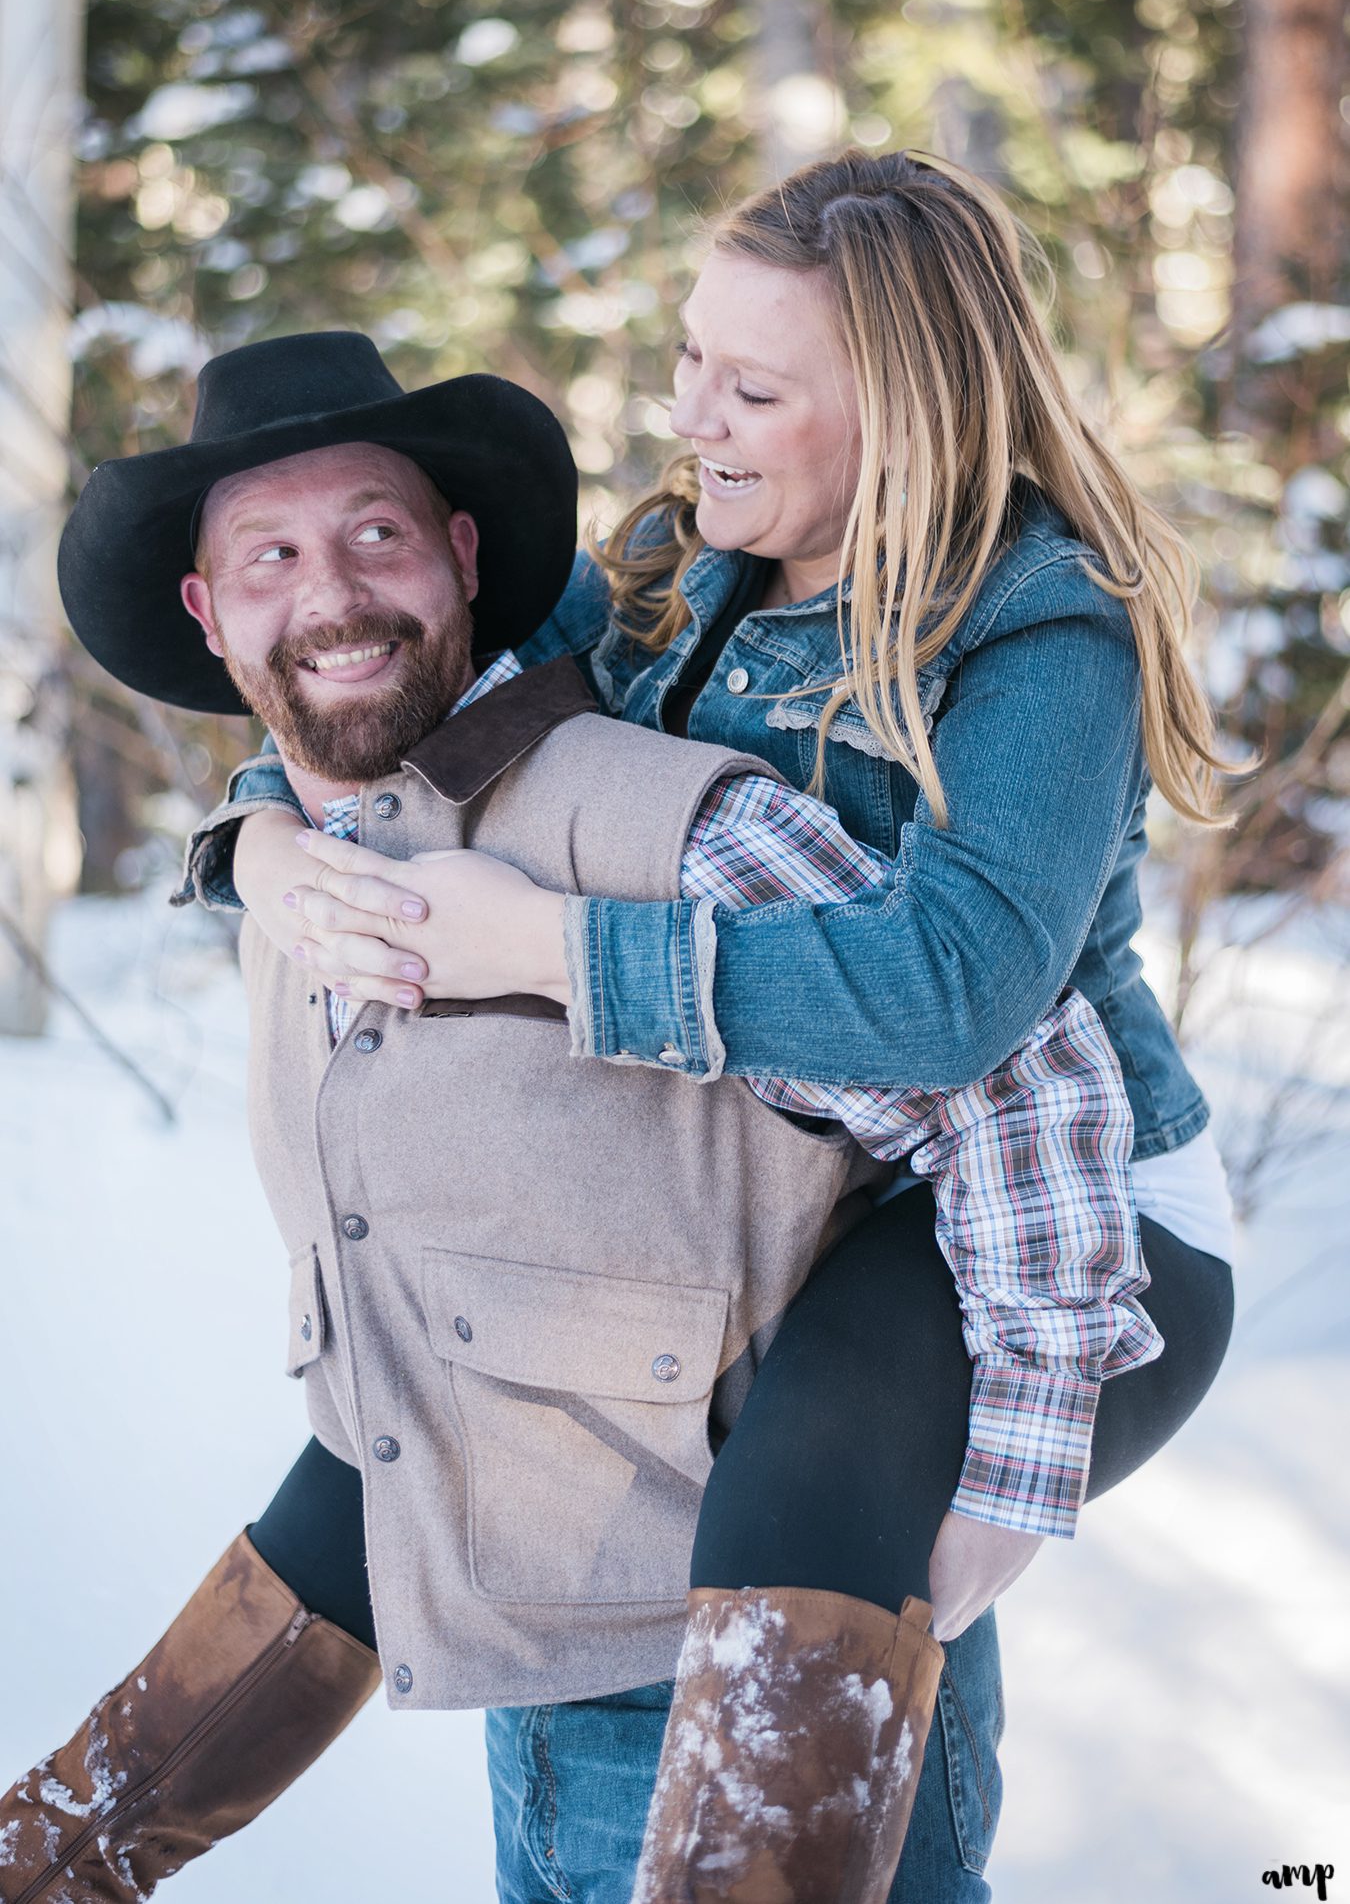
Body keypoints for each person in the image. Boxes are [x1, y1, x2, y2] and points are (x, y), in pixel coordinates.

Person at [5, 323, 1152, 1904]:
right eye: (267, 555)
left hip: (761, 1697)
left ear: (463, 560)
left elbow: (1017, 1071)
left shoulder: (650, 815)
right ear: (208, 616)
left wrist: (1014, 1463)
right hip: (520, 1700)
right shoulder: (307, 871)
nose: (330, 592)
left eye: (375, 535)